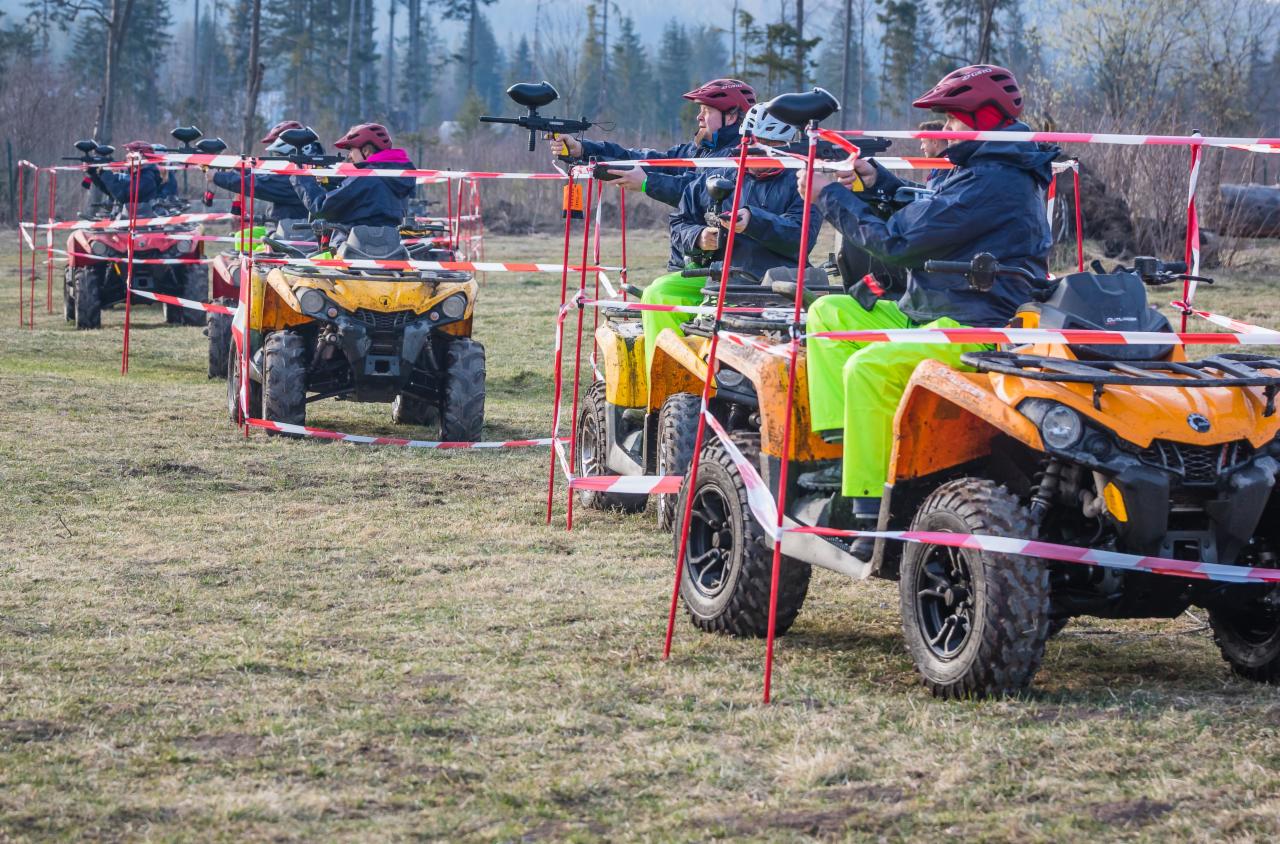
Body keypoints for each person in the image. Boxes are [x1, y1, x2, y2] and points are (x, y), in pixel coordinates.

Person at [795, 64, 1056, 559]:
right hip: (932, 309)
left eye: (951, 120)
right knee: (830, 315)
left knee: (868, 367)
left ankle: (867, 508)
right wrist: (875, 182)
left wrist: (828, 197)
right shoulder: (981, 166)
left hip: (975, 324)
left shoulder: (996, 180)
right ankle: (841, 453)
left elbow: (899, 242)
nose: (941, 131)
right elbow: (925, 213)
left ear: (982, 117)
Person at [640, 103, 820, 373]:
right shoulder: (721, 174)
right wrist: (699, 236)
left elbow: (801, 236)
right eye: (755, 142)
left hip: (780, 282)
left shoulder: (803, 182)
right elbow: (679, 221)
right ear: (745, 139)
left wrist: (752, 221)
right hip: (722, 275)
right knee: (658, 292)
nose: (762, 149)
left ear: (788, 145)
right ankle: (667, 381)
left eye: (772, 144)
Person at [549, 78, 756, 207]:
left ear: (730, 117)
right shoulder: (698, 151)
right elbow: (647, 160)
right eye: (699, 111)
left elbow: (698, 193)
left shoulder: (740, 158)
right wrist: (583, 149)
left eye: (707, 111)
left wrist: (648, 183)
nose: (699, 118)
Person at [291, 123, 415, 231]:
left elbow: (322, 208)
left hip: (354, 246)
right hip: (391, 245)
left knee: (316, 256)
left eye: (351, 150)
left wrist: (301, 177)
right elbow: (365, 203)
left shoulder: (366, 177)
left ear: (366, 151)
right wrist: (331, 183)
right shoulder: (398, 175)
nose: (349, 156)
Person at [208, 120, 314, 222]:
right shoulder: (305, 170)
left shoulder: (297, 176)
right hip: (289, 230)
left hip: (296, 235)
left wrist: (217, 177)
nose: (275, 159)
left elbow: (257, 184)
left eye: (277, 155)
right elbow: (264, 175)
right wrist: (239, 168)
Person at [88, 141, 163, 209]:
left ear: (141, 156)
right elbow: (111, 191)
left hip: (140, 220)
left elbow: (122, 196)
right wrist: (94, 173)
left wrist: (105, 174)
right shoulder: (133, 176)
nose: (127, 155)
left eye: (131, 152)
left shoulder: (147, 179)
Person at [916, 119, 948, 187]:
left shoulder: (947, 166)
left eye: (924, 142)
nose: (921, 147)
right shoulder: (939, 165)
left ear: (935, 142)